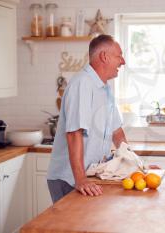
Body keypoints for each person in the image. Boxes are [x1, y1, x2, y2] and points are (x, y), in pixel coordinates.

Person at [47, 34, 127, 203]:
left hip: (90, 176)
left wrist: (135, 165)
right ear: (104, 56)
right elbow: (74, 133)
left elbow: (117, 131)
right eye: (119, 56)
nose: (123, 61)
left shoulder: (105, 88)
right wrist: (80, 179)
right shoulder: (82, 84)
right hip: (70, 179)